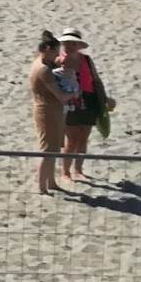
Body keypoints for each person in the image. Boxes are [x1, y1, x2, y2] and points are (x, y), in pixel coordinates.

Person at [29, 31, 82, 195]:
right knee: (47, 150)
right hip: (47, 111)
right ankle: (41, 187)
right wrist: (74, 93)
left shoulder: (42, 62)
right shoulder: (43, 69)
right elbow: (60, 95)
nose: (57, 56)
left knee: (54, 149)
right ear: (47, 49)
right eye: (55, 52)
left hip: (53, 110)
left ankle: (50, 182)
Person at [58, 31, 108, 183]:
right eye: (67, 43)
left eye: (74, 43)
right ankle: (65, 172)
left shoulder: (86, 59)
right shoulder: (59, 60)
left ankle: (78, 170)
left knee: (83, 137)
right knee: (72, 139)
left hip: (89, 99)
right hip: (70, 102)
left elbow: (96, 80)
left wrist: (104, 98)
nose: (71, 46)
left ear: (79, 45)